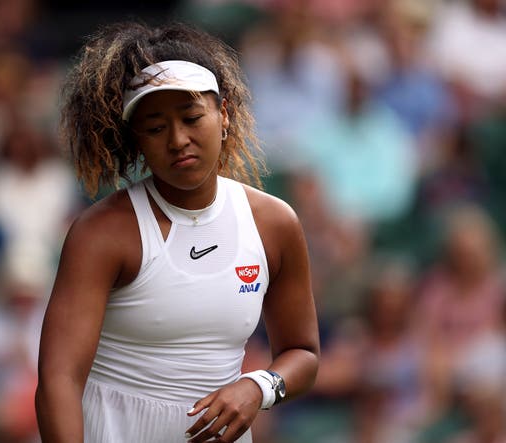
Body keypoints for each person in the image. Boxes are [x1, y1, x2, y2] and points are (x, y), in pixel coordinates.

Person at [35, 21, 320, 443]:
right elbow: (59, 377)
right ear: (137, 140)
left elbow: (305, 355)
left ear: (223, 115)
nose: (178, 139)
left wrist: (257, 387)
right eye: (155, 128)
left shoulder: (274, 224)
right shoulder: (103, 233)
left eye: (191, 117)